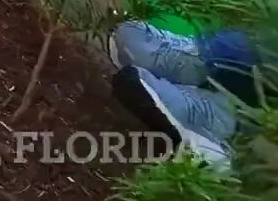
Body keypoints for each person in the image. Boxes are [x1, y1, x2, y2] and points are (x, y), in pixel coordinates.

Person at [109, 20, 266, 164]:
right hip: (224, 65)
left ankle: (223, 127)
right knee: (130, 34)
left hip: (243, 109)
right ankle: (199, 67)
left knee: (134, 65)